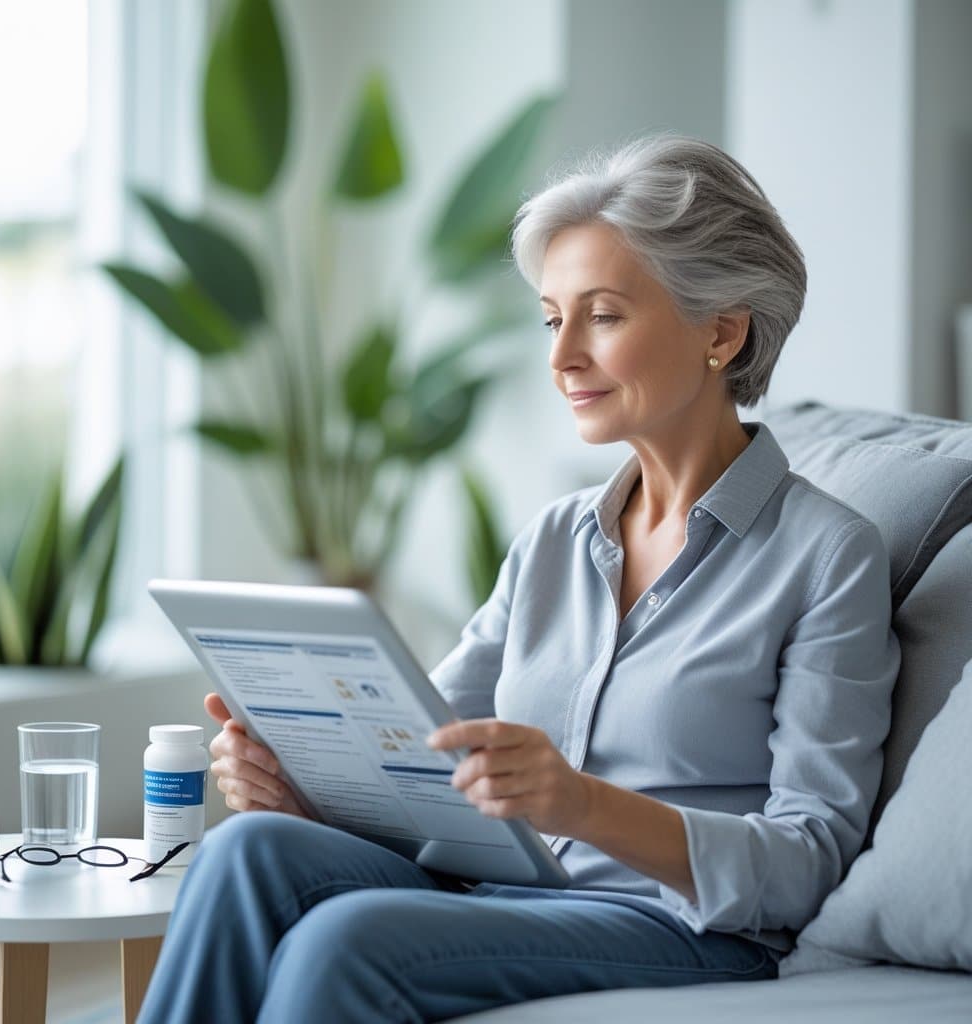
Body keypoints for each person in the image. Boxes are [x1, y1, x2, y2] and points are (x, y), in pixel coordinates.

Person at [137, 133, 900, 1023]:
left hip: (678, 927)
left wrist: (580, 803)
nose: (562, 356)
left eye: (603, 316)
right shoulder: (554, 540)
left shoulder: (827, 554)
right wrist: (300, 785)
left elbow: (809, 855)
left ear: (722, 332)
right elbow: (424, 754)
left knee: (343, 940)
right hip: (514, 892)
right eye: (552, 318)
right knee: (249, 851)